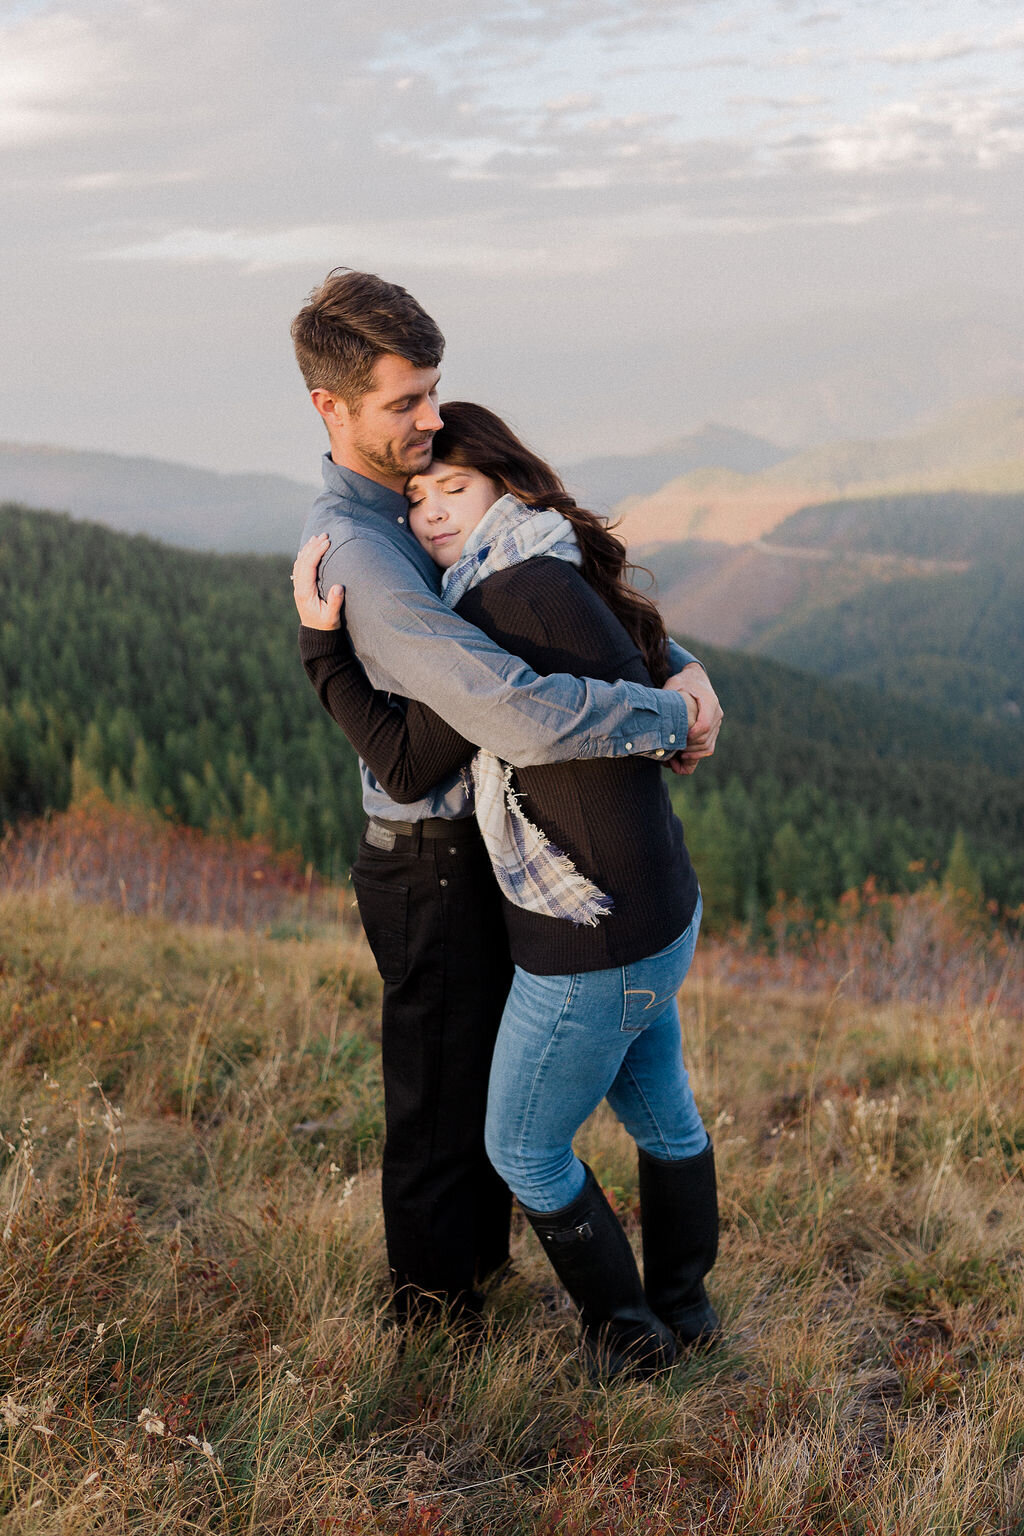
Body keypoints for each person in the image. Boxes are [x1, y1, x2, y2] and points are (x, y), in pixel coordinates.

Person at [290, 269, 723, 1328]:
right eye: (405, 403)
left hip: (504, 853)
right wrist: (666, 714)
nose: (429, 427)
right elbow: (502, 714)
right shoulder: (361, 552)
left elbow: (559, 608)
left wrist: (678, 671)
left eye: (434, 395)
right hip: (428, 865)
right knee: (443, 1111)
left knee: (498, 1098)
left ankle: (533, 1291)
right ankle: (439, 1323)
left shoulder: (422, 504)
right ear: (329, 407)